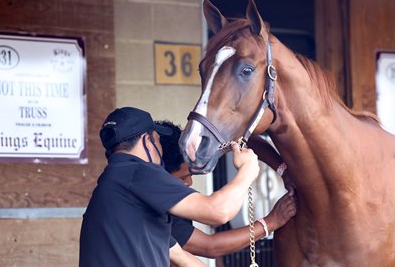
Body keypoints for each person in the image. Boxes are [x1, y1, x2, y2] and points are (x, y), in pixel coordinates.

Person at [79, 107, 260, 267]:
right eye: (157, 140)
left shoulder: (115, 187)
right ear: (147, 140)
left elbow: (181, 258)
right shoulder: (137, 172)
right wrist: (248, 169)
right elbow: (218, 212)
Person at [157, 121, 296, 261]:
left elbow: (241, 137)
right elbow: (210, 245)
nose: (189, 183)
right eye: (183, 177)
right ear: (161, 174)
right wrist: (271, 222)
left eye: (190, 175)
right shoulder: (155, 208)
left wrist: (283, 171)